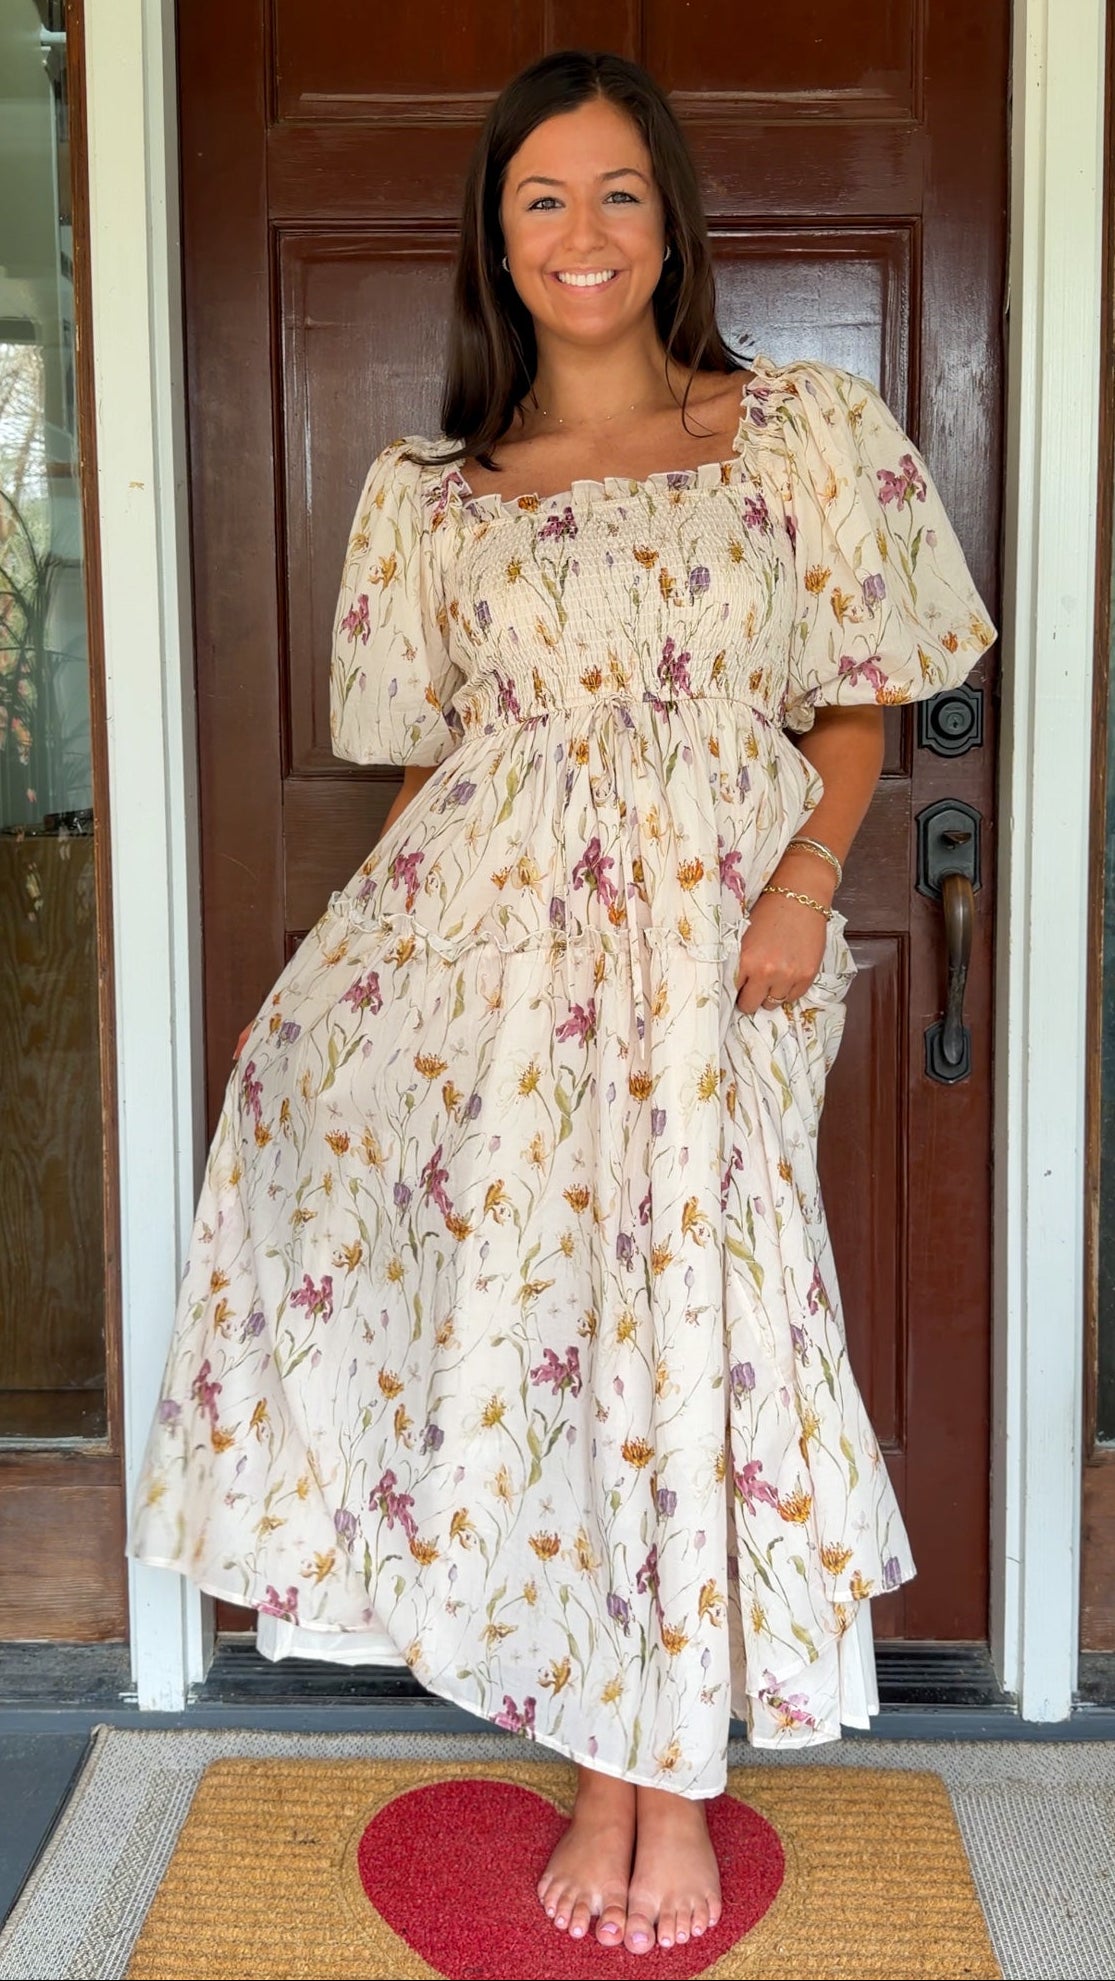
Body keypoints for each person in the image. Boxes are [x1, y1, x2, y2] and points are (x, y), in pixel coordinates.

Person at [131, 47, 996, 1958]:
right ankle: (605, 1743)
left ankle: (671, 1777)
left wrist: (801, 885)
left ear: (670, 217)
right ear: (495, 238)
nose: (582, 233)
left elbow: (856, 698)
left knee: (695, 1316)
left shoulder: (797, 433)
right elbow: (438, 765)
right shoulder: (432, 495)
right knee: (556, 1330)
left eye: (617, 191)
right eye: (542, 198)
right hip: (492, 969)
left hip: (724, 949)